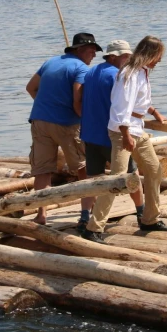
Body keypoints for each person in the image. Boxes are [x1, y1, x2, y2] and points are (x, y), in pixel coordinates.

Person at [83, 36, 167, 243]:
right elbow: (121, 106)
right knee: (118, 178)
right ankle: (93, 227)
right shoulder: (130, 74)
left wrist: (154, 113)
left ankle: (150, 218)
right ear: (150, 54)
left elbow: (139, 103)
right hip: (125, 131)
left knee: (154, 169)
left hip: (137, 129)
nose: (159, 61)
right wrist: (125, 135)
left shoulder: (142, 72)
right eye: (158, 56)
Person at [25, 32, 101, 225]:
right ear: (82, 50)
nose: (94, 56)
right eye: (92, 51)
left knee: (42, 170)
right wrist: (86, 118)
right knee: (83, 167)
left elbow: (31, 87)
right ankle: (89, 209)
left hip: (40, 121)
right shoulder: (81, 68)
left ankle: (41, 214)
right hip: (67, 124)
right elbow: (78, 99)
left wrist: (47, 107)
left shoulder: (50, 62)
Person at [78, 40, 144, 234]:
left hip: (90, 134)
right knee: (131, 175)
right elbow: (126, 102)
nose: (129, 61)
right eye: (126, 57)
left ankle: (84, 216)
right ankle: (141, 213)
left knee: (93, 179)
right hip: (110, 135)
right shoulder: (117, 75)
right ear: (114, 56)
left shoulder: (91, 72)